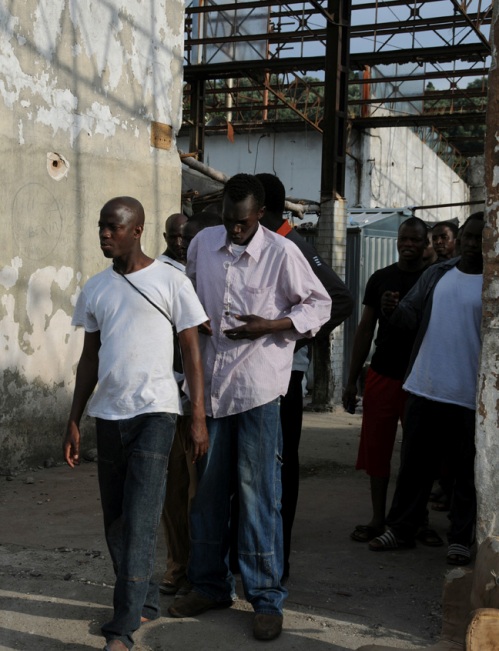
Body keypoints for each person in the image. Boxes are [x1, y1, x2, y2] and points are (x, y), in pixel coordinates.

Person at [168, 174, 331, 641]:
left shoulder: (283, 253)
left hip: (258, 392)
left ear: (259, 214)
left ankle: (265, 597)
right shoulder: (202, 245)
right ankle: (209, 584)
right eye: (228, 221)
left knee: (260, 497)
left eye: (242, 223)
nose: (234, 230)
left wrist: (271, 325)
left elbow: (319, 305)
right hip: (212, 393)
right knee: (209, 495)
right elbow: (193, 310)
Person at [62, 197, 209, 651]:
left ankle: (121, 628)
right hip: (109, 415)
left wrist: (197, 413)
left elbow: (191, 351)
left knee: (143, 516)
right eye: (102, 227)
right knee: (117, 519)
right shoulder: (96, 288)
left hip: (157, 413)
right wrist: (73, 417)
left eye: (114, 227)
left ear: (138, 230)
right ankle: (145, 600)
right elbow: (90, 358)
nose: (105, 234)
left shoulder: (171, 281)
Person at [369, 212, 484, 565]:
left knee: (465, 474)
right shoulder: (438, 274)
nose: (471, 243)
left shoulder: (492, 283)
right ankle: (401, 529)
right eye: (468, 235)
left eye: (480, 237)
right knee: (414, 468)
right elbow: (408, 317)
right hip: (424, 385)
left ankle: (461, 538)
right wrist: (391, 309)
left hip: (467, 395)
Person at [255, 172, 353, 582]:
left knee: (280, 465)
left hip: (285, 376)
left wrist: (293, 334)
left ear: (261, 208)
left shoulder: (291, 244)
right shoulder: (263, 243)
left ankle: (279, 560)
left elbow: (341, 300)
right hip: (258, 374)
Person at [342, 218, 440, 545]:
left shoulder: (434, 280)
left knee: (419, 453)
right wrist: (351, 379)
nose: (408, 245)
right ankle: (378, 517)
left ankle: (417, 519)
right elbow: (365, 328)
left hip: (420, 378)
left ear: (426, 243)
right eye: (404, 239)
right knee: (377, 449)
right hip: (383, 374)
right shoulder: (381, 279)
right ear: (397, 241)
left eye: (415, 240)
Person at [160, 210, 223, 598]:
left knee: (203, 490)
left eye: (189, 238)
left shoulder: (215, 272)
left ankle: (204, 569)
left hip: (209, 398)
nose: (182, 244)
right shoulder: (161, 275)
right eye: (177, 237)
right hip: (171, 394)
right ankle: (178, 565)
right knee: (174, 489)